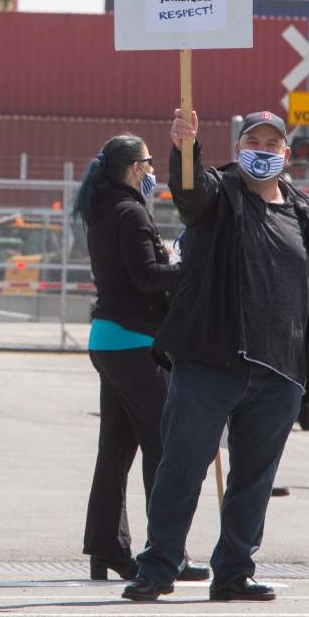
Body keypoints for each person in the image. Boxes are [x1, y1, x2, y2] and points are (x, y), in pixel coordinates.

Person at [123, 111, 309, 604]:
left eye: (273, 142)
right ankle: (158, 566)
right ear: (237, 148)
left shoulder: (306, 217)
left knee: (254, 480)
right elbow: (188, 192)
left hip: (280, 371)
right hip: (212, 362)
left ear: (286, 154)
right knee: (181, 468)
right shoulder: (218, 195)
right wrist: (185, 148)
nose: (263, 149)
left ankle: (234, 572)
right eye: (253, 140)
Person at [69, 135, 208, 584]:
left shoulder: (105, 208)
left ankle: (107, 548)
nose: (153, 171)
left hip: (110, 339)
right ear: (133, 168)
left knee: (115, 448)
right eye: (149, 163)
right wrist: (192, 267)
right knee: (162, 446)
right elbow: (148, 278)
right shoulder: (129, 212)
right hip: (132, 342)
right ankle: (165, 551)